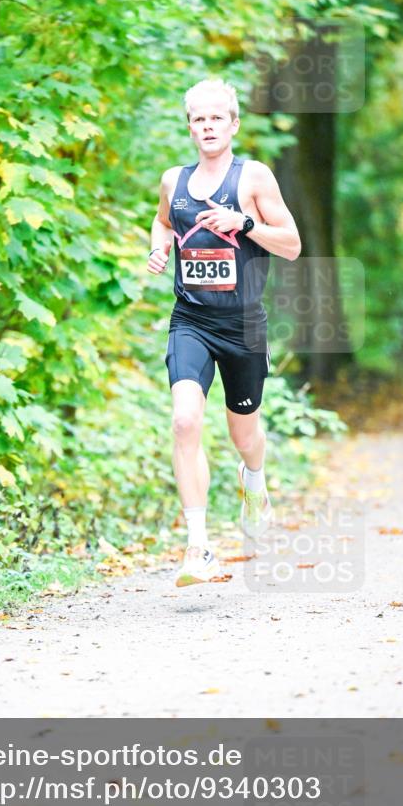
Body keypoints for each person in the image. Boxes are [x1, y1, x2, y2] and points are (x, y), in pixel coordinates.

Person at [147, 78, 301, 587]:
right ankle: (198, 547)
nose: (207, 126)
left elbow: (293, 245)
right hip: (190, 320)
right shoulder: (174, 179)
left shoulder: (253, 178)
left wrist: (246, 224)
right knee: (185, 422)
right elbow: (164, 220)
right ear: (189, 126)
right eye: (198, 118)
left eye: (217, 118)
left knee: (245, 435)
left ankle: (253, 482)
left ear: (233, 124)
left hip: (243, 326)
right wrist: (161, 247)